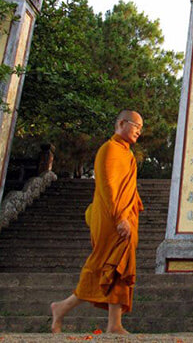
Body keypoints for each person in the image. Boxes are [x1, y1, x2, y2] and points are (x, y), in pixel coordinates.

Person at [50, 110, 144, 334]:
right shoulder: (110, 149)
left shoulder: (128, 154)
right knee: (103, 264)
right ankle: (62, 307)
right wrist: (120, 216)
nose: (139, 130)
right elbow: (108, 187)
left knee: (119, 268)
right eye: (136, 125)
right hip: (111, 217)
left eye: (141, 127)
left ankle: (114, 324)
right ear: (121, 123)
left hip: (125, 216)